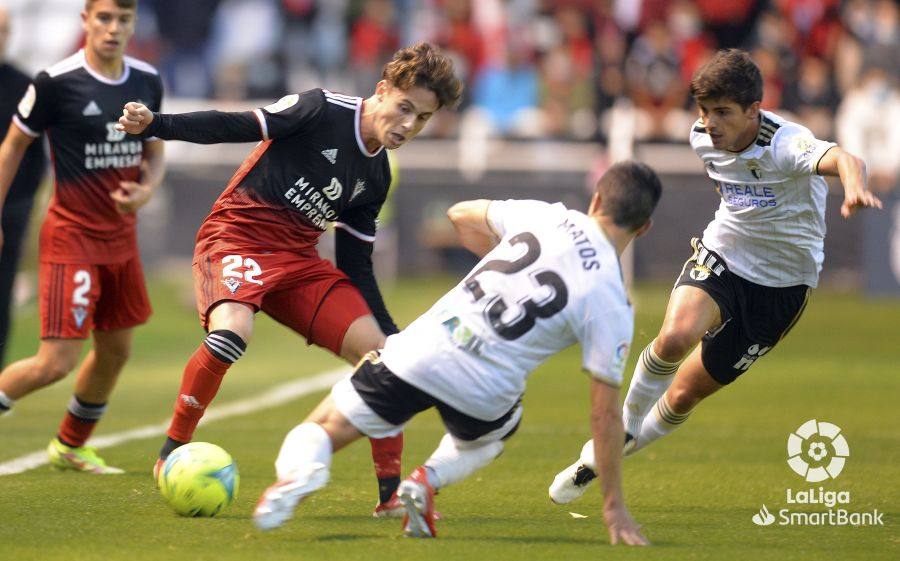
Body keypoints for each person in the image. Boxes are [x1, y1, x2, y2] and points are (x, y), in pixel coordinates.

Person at [116, 42, 462, 515]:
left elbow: (354, 265)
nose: (408, 125)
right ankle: (170, 452)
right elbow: (236, 125)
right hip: (236, 236)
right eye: (404, 108)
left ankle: (390, 497)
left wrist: (392, 333)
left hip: (298, 260)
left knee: (382, 359)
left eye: (421, 118)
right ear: (382, 91)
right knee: (231, 334)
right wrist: (157, 124)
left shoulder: (377, 175)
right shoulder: (321, 108)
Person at [251, 161, 661, 545]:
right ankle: (427, 479)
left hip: (426, 347)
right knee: (489, 438)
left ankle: (300, 473)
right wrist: (614, 507)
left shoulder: (547, 215)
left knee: (323, 426)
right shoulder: (611, 298)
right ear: (643, 229)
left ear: (597, 200)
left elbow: (459, 214)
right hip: (486, 391)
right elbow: (605, 414)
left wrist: (497, 257)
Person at [547, 48, 882, 505]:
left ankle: (607, 458)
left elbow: (847, 159)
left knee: (684, 394)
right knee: (675, 335)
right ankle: (620, 428)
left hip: (782, 286)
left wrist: (855, 188)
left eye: (723, 112)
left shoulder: (786, 144)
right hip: (724, 253)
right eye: (704, 111)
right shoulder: (701, 137)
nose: (710, 124)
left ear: (754, 110)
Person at [0, 0, 165, 474]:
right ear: (86, 21)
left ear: (134, 25)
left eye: (124, 20)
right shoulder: (55, 82)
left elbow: (155, 153)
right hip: (71, 237)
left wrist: (147, 189)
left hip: (122, 240)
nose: (114, 29)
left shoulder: (147, 81)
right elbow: (12, 147)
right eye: (105, 18)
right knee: (54, 362)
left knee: (116, 352)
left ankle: (71, 445)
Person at [0, 7, 46, 368]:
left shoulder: (23, 86)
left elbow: (34, 158)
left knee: (1, 293)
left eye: (4, 31)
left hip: (9, 211)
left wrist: (19, 207)